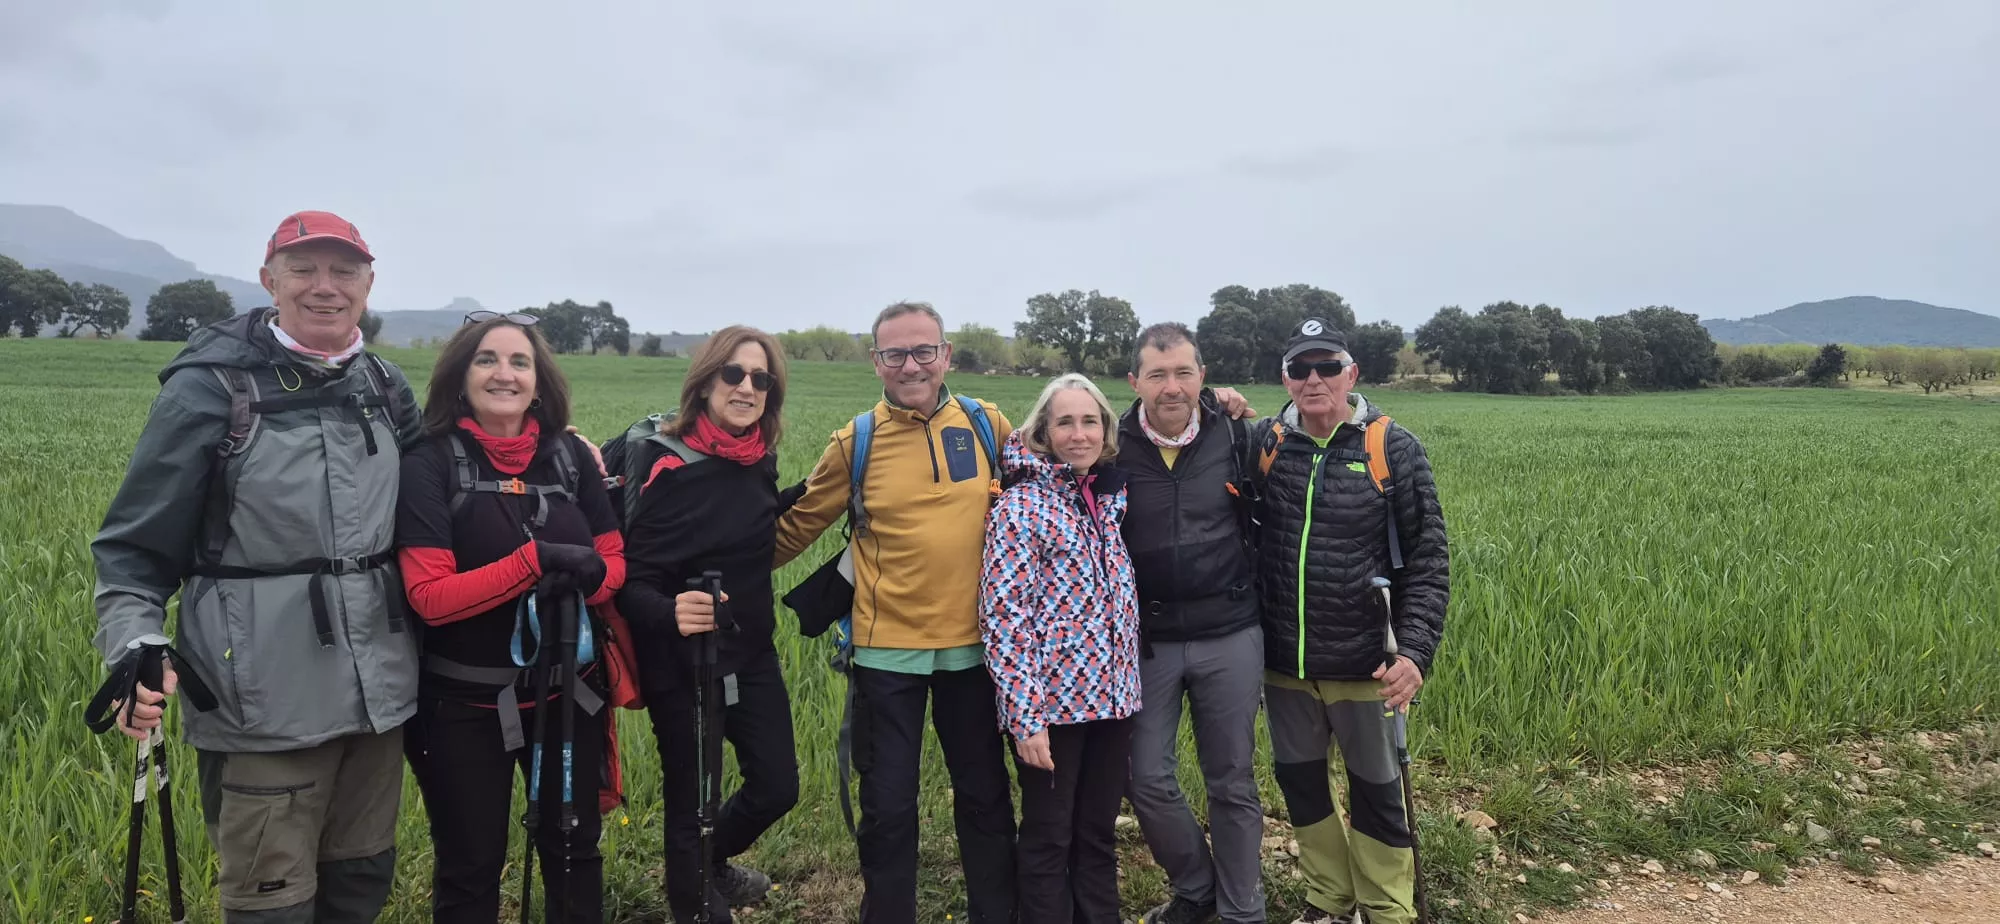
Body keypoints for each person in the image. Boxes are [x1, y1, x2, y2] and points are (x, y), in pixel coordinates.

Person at [89, 209, 423, 922]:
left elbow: (446, 501)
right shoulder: (212, 388)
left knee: (361, 882)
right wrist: (134, 644)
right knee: (270, 898)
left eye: (344, 271)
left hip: (380, 695)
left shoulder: (386, 387)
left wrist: (566, 458)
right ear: (270, 280)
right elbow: (131, 552)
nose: (324, 287)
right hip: (262, 698)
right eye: (304, 269)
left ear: (369, 284)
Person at [774, 301, 1018, 924]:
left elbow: (1062, 470)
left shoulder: (988, 424)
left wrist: (1218, 413)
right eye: (895, 354)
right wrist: (704, 560)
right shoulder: (855, 441)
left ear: (947, 356)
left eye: (923, 351)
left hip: (976, 650)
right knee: (887, 807)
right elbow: (795, 529)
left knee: (987, 798)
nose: (910, 365)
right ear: (876, 361)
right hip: (886, 653)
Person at [394, 311, 627, 923]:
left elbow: (613, 560)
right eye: (487, 360)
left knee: (576, 852)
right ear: (460, 376)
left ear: (540, 379)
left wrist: (592, 576)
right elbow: (429, 595)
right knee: (470, 866)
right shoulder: (429, 463)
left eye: (520, 361)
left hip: (566, 698)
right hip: (462, 706)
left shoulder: (571, 456)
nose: (505, 374)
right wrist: (534, 562)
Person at [1250, 318, 1450, 924]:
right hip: (1284, 663)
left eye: (1328, 367)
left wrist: (1414, 652)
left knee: (1377, 793)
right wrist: (1217, 399)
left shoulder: (1390, 447)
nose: (1315, 380)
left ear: (1351, 374)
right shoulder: (1266, 444)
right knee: (1302, 788)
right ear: (1285, 378)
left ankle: (1386, 908)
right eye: (1301, 369)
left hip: (1368, 662)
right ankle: (1328, 901)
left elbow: (1429, 557)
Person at [615, 325, 802, 923]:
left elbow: (752, 522)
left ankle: (706, 861)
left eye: (761, 378)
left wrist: (832, 485)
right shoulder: (668, 468)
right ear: (705, 379)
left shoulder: (756, 460)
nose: (747, 387)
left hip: (751, 653)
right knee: (692, 803)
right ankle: (694, 901)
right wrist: (670, 611)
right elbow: (629, 580)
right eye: (734, 374)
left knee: (777, 786)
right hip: (683, 663)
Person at [1116, 323, 1268, 924]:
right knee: (1143, 775)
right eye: (1157, 374)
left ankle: (1240, 909)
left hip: (1230, 630)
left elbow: (1320, 429)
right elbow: (1036, 441)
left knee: (1231, 780)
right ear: (1135, 382)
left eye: (1183, 372)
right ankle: (1198, 887)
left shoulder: (1238, 435)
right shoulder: (1108, 444)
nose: (1171, 386)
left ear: (1203, 377)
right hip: (1146, 640)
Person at [978, 373, 1142, 924]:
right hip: (1054, 710)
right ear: (1044, 432)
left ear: (1105, 430)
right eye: (1065, 422)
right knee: (1050, 837)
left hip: (1113, 702)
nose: (1079, 433)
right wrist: (1026, 719)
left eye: (1089, 421)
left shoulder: (1104, 500)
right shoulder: (1020, 507)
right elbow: (1005, 618)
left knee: (1096, 835)